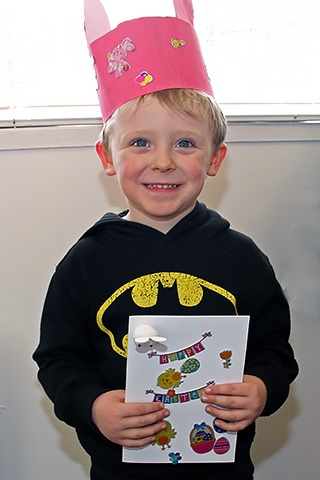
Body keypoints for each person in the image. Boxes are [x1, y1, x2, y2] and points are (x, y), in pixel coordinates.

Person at [33, 1, 298, 479]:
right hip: (120, 470)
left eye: (184, 143)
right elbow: (58, 359)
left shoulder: (242, 258)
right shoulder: (85, 262)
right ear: (107, 156)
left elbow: (274, 350)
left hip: (223, 468)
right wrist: (93, 406)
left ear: (215, 158)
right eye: (139, 143)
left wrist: (260, 388)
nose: (162, 162)